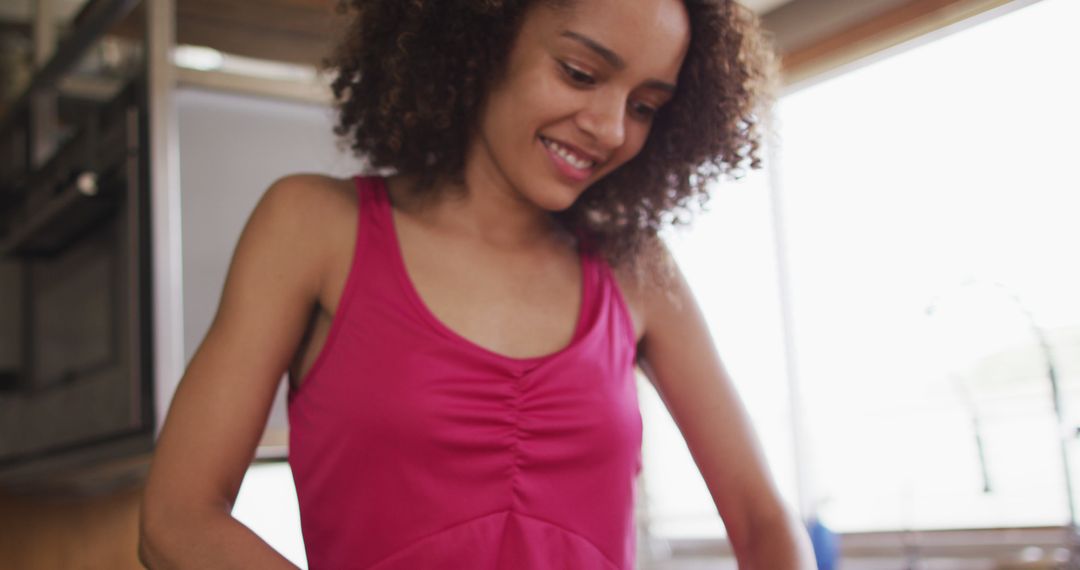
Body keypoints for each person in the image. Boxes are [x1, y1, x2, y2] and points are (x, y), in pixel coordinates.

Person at [138, 0, 816, 568]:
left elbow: (762, 521)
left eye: (643, 106)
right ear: (482, 39)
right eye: (580, 73)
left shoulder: (637, 269)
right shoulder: (314, 227)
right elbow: (176, 521)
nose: (610, 129)